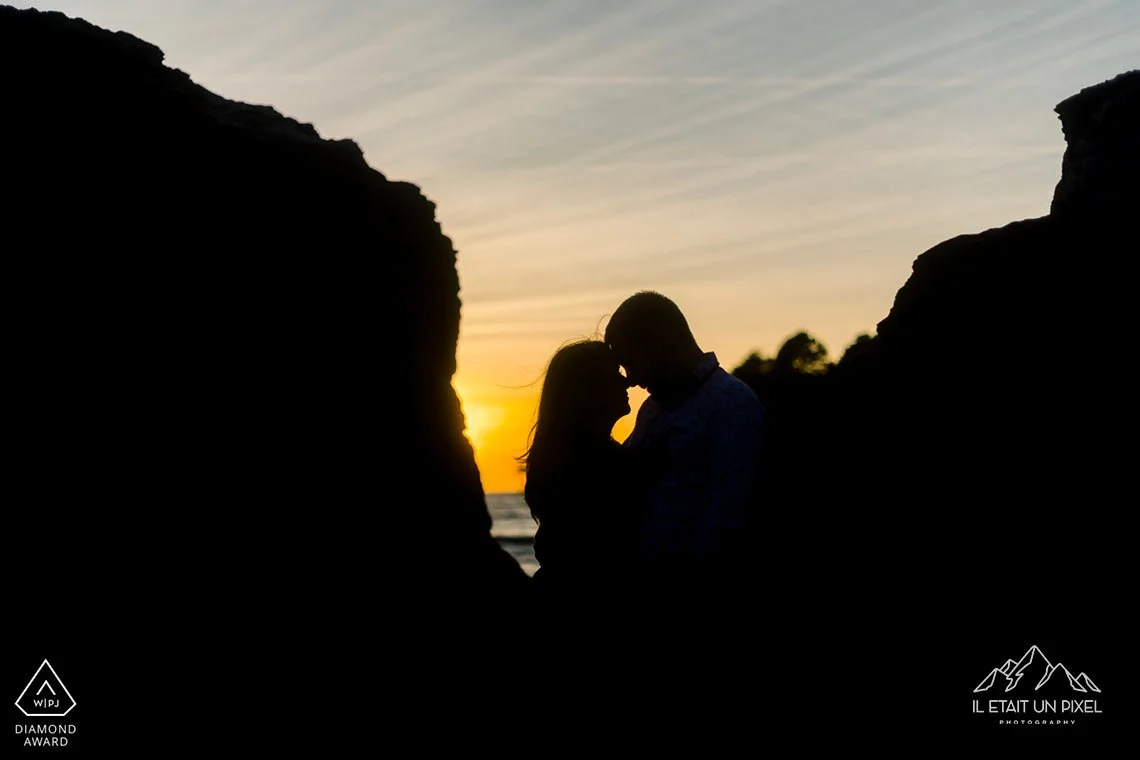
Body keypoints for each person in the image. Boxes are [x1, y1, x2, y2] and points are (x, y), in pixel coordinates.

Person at [604, 290, 766, 595]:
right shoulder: (653, 409)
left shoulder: (731, 402)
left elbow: (728, 519)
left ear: (658, 342)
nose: (631, 379)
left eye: (631, 362)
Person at [518, 338, 647, 614]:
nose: (626, 382)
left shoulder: (567, 454)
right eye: (614, 374)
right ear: (588, 389)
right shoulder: (600, 463)